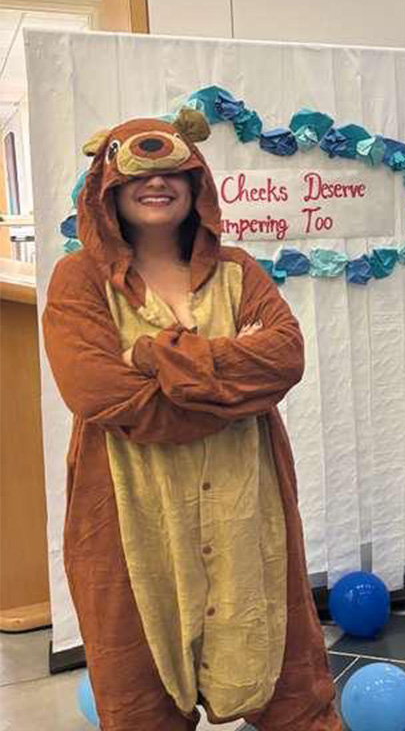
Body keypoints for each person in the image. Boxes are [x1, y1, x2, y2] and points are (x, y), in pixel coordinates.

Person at [43, 110, 341, 730]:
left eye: (174, 174)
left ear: (196, 182)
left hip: (246, 514)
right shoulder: (80, 282)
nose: (157, 186)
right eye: (137, 180)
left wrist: (152, 354)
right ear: (110, 192)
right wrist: (227, 390)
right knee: (141, 701)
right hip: (133, 524)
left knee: (296, 698)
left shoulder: (238, 272)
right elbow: (98, 392)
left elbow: (285, 356)